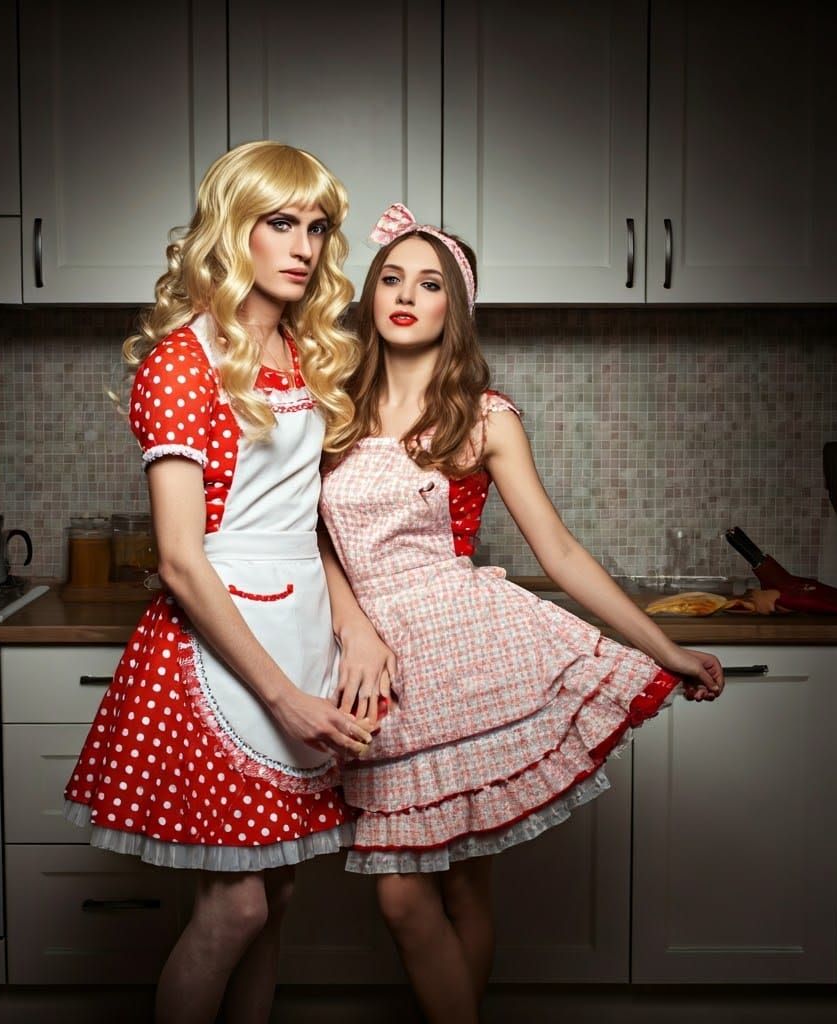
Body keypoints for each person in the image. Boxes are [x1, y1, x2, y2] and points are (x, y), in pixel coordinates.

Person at [318, 202, 726, 1024]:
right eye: (391, 278)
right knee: (403, 897)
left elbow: (562, 554)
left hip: (468, 653)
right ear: (369, 295)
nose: (405, 295)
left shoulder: (485, 417)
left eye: (429, 283)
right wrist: (352, 623)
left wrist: (666, 648)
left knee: (462, 885)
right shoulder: (330, 406)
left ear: (453, 308)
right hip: (374, 673)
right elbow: (310, 538)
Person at [63, 141, 393, 1024]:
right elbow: (178, 558)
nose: (305, 246)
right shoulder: (182, 360)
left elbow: (305, 520)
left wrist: (353, 623)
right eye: (280, 223)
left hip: (299, 634)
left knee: (275, 903)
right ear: (231, 227)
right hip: (224, 660)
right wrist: (284, 698)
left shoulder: (298, 348)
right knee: (237, 905)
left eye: (317, 228)